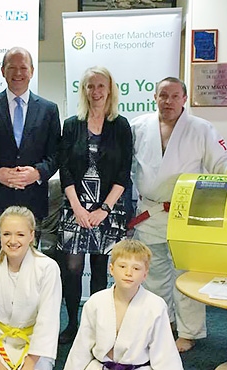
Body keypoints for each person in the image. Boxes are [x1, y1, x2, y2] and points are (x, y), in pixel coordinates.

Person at [130, 77, 227, 353]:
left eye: (174, 96)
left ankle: (189, 332)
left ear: (184, 99)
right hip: (149, 210)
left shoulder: (201, 128)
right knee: (153, 273)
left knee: (185, 273)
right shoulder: (139, 127)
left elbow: (223, 161)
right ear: (154, 97)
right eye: (163, 95)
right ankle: (162, 324)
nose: (168, 101)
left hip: (184, 210)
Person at [62, 239, 189, 370]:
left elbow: (164, 351)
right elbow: (82, 344)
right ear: (111, 269)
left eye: (136, 269)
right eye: (123, 266)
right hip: (102, 368)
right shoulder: (96, 302)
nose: (129, 273)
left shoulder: (155, 306)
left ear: (145, 274)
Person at [57, 66, 132, 345]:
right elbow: (64, 169)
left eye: (101, 86)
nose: (96, 92)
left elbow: (124, 171)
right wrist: (77, 208)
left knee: (101, 269)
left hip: (107, 209)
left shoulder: (120, 125)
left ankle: (98, 324)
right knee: (73, 268)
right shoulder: (72, 124)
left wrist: (105, 210)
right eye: (90, 86)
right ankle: (73, 324)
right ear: (84, 90)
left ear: (110, 90)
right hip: (75, 206)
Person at [0, 47, 61, 258]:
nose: (18, 73)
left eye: (23, 68)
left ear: (32, 71)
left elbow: (56, 154)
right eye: (12, 67)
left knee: (30, 264)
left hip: (33, 200)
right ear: (3, 71)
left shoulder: (48, 109)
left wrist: (37, 173)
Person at [0, 206, 62, 370]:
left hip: (34, 342)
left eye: (20, 234)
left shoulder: (47, 268)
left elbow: (48, 320)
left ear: (32, 236)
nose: (12, 241)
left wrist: (30, 364)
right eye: (7, 234)